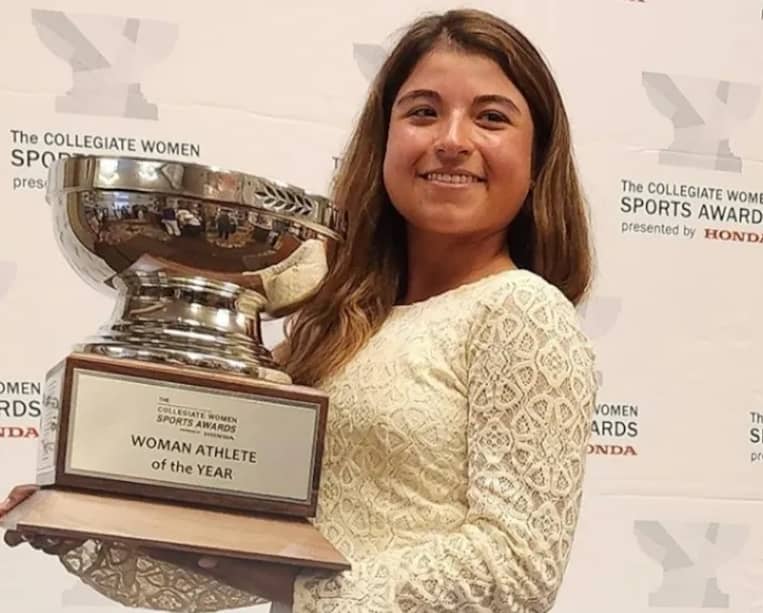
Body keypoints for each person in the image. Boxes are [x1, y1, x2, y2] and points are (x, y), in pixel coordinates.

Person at [1, 8, 597, 612]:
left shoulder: (522, 311)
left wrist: (303, 587)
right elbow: (247, 551)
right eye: (423, 111)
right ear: (384, 138)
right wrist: (92, 520)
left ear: (537, 156)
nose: (451, 139)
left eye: (491, 117)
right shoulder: (337, 322)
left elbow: (517, 570)